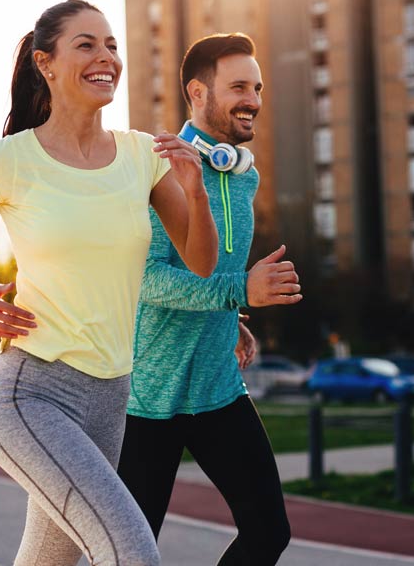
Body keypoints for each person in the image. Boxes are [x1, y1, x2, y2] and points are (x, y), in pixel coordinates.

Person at [0, 0, 218, 566]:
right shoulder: (8, 160)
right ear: (45, 63)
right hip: (30, 392)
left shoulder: (142, 156)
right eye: (87, 45)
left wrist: (194, 190)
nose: (106, 58)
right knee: (131, 552)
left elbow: (200, 262)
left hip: (110, 396)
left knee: (50, 562)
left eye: (112, 46)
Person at [117, 33, 301, 565]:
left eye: (258, 87)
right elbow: (145, 280)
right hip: (148, 397)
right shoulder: (156, 170)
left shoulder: (244, 177)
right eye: (239, 86)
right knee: (131, 552)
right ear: (198, 92)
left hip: (219, 388)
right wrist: (238, 289)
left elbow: (210, 268)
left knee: (269, 532)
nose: (254, 99)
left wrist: (232, 312)